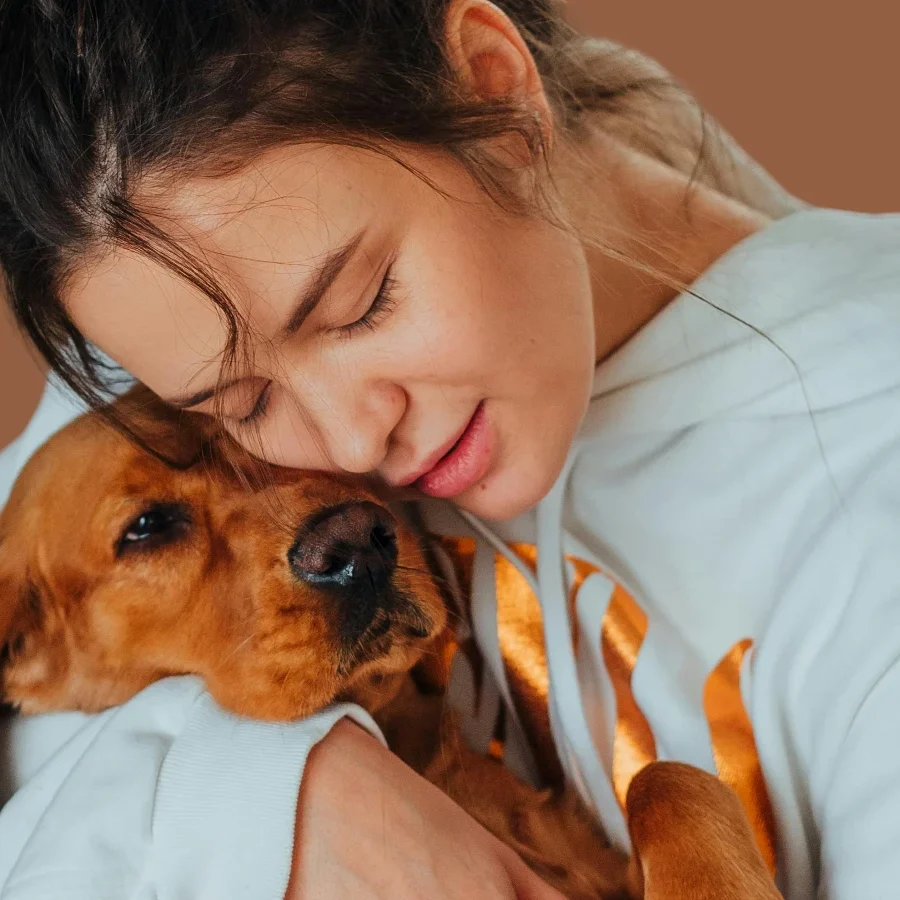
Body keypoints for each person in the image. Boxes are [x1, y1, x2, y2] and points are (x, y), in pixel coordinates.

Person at [1, 1, 899, 898]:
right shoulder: (171, 316)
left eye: (360, 303)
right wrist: (266, 797)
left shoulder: (867, 473)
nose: (350, 445)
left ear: (499, 92)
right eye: (243, 404)